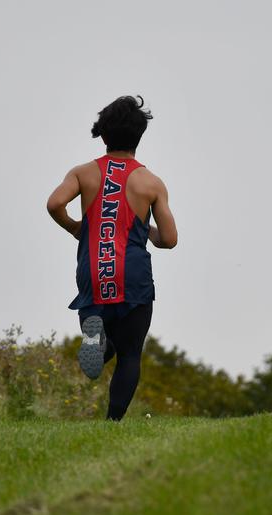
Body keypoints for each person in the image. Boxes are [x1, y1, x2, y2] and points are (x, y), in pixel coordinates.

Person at [46, 95, 178, 421]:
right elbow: (170, 239)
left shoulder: (82, 173)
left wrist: (76, 227)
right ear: (140, 136)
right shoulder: (151, 183)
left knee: (100, 327)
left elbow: (53, 204)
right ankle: (112, 423)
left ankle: (98, 342)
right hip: (132, 273)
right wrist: (141, 227)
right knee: (131, 354)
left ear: (103, 135)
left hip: (94, 270)